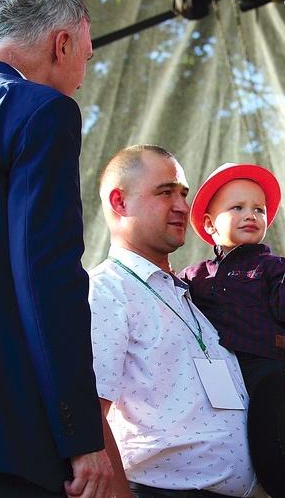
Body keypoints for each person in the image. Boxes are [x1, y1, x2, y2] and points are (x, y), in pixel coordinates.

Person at [0, 0, 114, 497]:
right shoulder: (43, 110)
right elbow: (45, 278)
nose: (83, 73)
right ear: (62, 43)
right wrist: (80, 432)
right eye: (87, 55)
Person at [89, 145, 266, 498]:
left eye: (184, 193)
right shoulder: (107, 291)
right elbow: (90, 414)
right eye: (165, 192)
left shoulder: (190, 290)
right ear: (119, 203)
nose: (183, 206)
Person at [179, 163, 285, 396]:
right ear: (209, 224)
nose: (250, 215)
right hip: (215, 372)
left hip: (266, 368)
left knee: (266, 423)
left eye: (259, 210)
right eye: (237, 207)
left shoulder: (275, 266)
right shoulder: (194, 275)